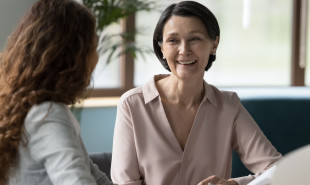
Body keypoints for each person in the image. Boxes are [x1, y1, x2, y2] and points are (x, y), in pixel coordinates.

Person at [111, 1, 282, 185]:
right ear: (162, 48)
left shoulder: (228, 106)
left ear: (214, 44)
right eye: (173, 40)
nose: (184, 50)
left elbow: (276, 168)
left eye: (194, 39)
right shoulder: (132, 105)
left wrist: (235, 184)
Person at [0, 0, 114, 185]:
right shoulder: (48, 114)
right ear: (74, 57)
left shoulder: (27, 108)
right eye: (93, 48)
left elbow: (94, 175)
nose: (97, 58)